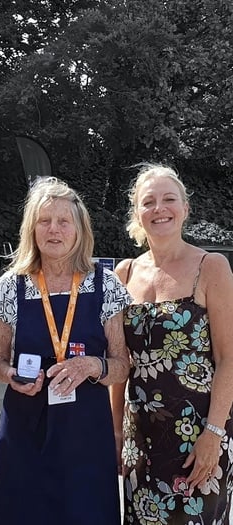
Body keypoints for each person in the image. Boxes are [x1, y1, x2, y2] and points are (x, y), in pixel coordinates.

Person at [0, 176, 131, 524]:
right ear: (31, 229)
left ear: (79, 229)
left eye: (63, 221)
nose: (54, 229)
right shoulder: (12, 284)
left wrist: (93, 366)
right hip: (25, 425)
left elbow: (122, 364)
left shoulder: (105, 284)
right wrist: (11, 375)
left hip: (85, 430)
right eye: (44, 221)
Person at [113, 164, 233, 523]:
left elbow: (229, 358)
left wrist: (213, 433)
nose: (159, 209)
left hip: (199, 436)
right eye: (148, 202)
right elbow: (120, 364)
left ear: (185, 208)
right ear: (137, 213)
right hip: (141, 437)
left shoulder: (211, 267)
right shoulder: (124, 274)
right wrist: (115, 430)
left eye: (169, 199)